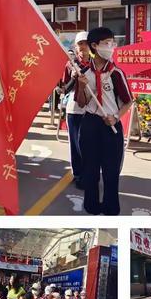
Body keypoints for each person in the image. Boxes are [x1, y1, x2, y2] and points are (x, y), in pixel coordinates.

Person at [75, 27, 133, 215]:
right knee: (90, 170)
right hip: (90, 124)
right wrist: (82, 87)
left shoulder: (116, 73)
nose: (111, 47)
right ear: (94, 46)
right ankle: (91, 205)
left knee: (111, 171)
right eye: (107, 43)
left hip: (110, 126)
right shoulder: (84, 73)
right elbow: (82, 103)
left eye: (112, 43)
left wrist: (116, 117)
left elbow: (128, 101)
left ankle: (110, 208)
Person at [60, 31, 90, 189]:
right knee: (76, 143)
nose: (83, 47)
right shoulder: (71, 63)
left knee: (90, 144)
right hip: (75, 109)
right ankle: (78, 174)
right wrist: (72, 78)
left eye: (85, 43)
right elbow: (64, 88)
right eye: (80, 43)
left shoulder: (96, 63)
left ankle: (90, 173)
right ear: (76, 46)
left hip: (92, 109)